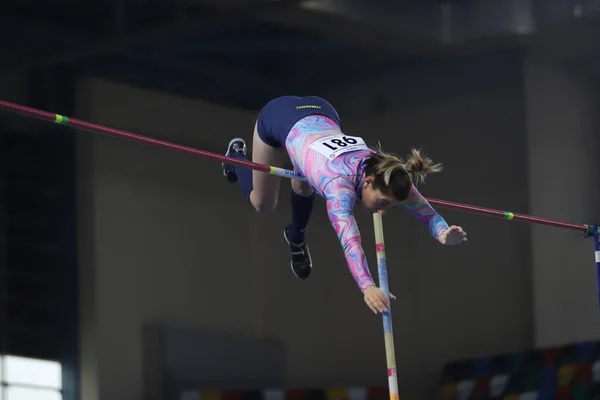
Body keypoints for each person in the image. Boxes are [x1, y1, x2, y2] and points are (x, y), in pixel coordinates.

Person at [221, 95, 467, 314]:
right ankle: (234, 156)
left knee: (304, 184)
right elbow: (350, 240)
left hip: (322, 111)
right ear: (368, 182)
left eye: (390, 206)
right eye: (382, 202)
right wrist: (367, 285)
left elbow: (422, 209)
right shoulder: (338, 188)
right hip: (277, 117)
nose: (383, 210)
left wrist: (442, 232)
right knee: (263, 203)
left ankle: (295, 236)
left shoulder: (390, 173)